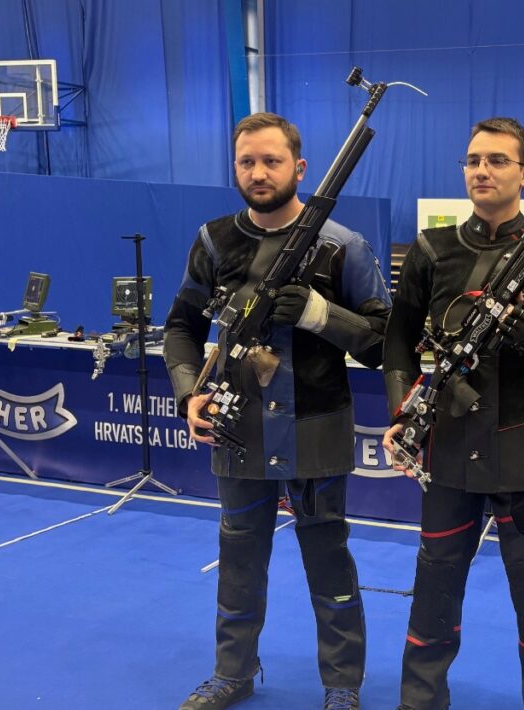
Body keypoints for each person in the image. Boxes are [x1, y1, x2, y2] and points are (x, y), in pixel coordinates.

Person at [382, 117, 524, 710]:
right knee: (434, 585)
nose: (481, 170)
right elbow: (397, 340)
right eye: (472, 160)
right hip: (447, 447)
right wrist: (403, 411)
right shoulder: (431, 250)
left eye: (497, 160)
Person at [164, 112, 392, 710]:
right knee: (239, 558)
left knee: (329, 561)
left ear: (300, 167)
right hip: (237, 427)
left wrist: (322, 315)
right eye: (247, 162)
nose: (259, 173)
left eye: (271, 160)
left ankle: (342, 687)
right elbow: (181, 328)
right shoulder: (214, 240)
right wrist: (189, 393)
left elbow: (385, 344)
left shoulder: (343, 246)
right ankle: (232, 674)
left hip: (317, 429)